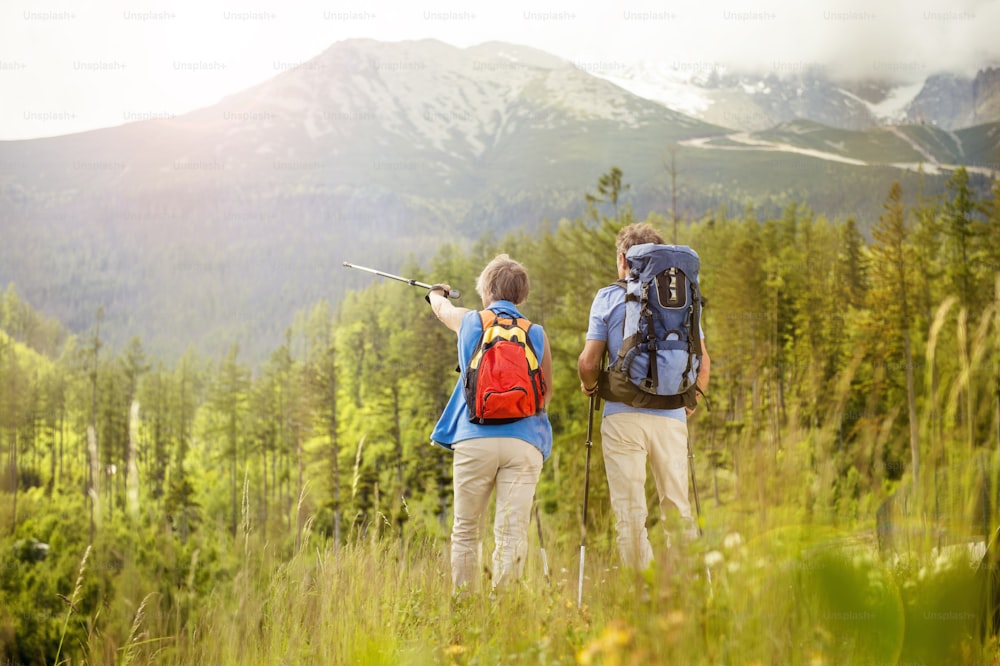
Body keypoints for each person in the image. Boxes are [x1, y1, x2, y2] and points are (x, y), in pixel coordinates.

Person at [577, 223, 711, 571]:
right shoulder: (682, 297)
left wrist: (591, 387)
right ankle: (691, 592)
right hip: (672, 415)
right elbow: (703, 362)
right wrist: (687, 402)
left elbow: (589, 361)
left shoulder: (607, 297)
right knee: (678, 508)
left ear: (624, 258)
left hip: (622, 416)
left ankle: (643, 598)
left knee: (631, 513)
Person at [426, 254, 553, 595]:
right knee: (511, 533)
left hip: (474, 438)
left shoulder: (470, 322)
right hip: (524, 442)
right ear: (521, 296)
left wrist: (436, 293)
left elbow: (442, 310)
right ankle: (504, 609)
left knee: (466, 530)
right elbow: (545, 395)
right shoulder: (535, 333)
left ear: (485, 291)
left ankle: (465, 609)